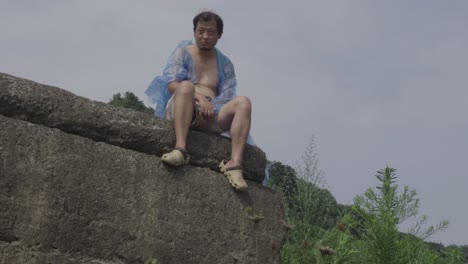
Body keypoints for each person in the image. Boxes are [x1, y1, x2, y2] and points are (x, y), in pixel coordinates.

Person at [145, 11, 252, 191]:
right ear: (194, 31)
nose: (205, 37)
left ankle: (234, 164)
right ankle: (180, 149)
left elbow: (227, 95)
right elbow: (172, 84)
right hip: (183, 105)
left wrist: (209, 108)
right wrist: (200, 99)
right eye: (201, 31)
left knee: (244, 102)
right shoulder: (183, 52)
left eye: (210, 32)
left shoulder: (225, 64)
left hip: (211, 113)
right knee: (186, 86)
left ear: (219, 35)